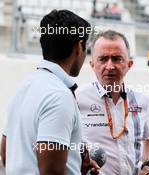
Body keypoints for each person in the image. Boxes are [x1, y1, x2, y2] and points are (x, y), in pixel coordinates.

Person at [0, 10, 94, 174]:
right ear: (79, 46)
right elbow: (52, 171)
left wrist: (75, 165)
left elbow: (6, 152)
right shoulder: (59, 96)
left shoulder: (25, 86)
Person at [76, 30, 149, 175]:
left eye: (116, 58)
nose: (110, 66)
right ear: (92, 64)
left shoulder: (142, 101)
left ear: (129, 64)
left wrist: (148, 165)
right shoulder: (76, 99)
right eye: (102, 59)